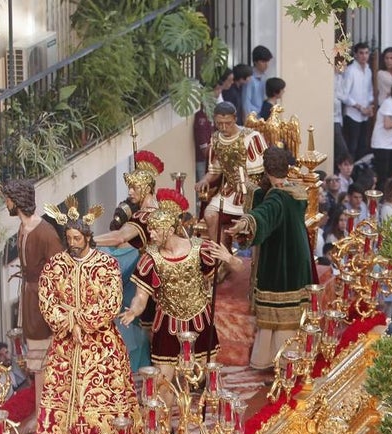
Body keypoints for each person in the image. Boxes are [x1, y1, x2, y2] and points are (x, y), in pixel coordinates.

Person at [35, 201, 139, 434]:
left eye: (77, 237)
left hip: (100, 342)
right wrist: (69, 322)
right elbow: (47, 300)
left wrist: (80, 320)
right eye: (69, 238)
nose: (72, 242)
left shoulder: (106, 265)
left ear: (88, 237)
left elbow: (112, 302)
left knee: (102, 392)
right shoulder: (55, 266)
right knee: (64, 388)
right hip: (66, 342)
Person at [119, 190, 242, 374]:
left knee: (207, 378)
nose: (150, 234)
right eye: (150, 229)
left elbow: (239, 268)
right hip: (167, 322)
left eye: (154, 230)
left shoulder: (199, 248)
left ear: (168, 230)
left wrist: (229, 259)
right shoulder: (149, 258)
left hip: (199, 318)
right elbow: (141, 296)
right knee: (163, 381)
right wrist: (134, 310)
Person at [227, 146, 316, 369]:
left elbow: (265, 213)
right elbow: (265, 199)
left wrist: (246, 223)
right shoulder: (295, 190)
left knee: (280, 322)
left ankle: (282, 363)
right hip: (298, 258)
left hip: (280, 263)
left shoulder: (277, 198)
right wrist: (250, 188)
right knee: (291, 318)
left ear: (267, 170)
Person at [2, 178, 64, 406]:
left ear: (16, 201)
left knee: (44, 359)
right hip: (30, 297)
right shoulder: (23, 227)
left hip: (43, 300)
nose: (6, 204)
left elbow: (60, 271)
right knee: (36, 358)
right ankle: (42, 413)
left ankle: (46, 413)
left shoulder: (45, 232)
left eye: (8, 200)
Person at [194, 102, 268, 245]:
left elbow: (261, 172)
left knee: (253, 224)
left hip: (252, 192)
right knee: (209, 215)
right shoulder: (216, 139)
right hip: (229, 192)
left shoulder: (251, 137)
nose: (223, 127)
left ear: (235, 118)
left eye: (227, 123)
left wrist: (245, 182)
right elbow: (215, 170)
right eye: (219, 124)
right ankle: (221, 255)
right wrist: (205, 180)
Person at [94, 150, 165, 250]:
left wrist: (88, 240)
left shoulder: (143, 216)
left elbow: (119, 237)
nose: (130, 192)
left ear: (147, 189)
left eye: (135, 188)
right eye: (129, 188)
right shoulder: (160, 211)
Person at [341, 43, 375, 161]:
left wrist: (370, 106)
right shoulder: (350, 71)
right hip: (352, 115)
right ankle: (349, 172)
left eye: (366, 53)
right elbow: (344, 95)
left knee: (363, 146)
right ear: (355, 55)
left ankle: (359, 172)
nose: (364, 56)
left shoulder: (368, 70)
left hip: (365, 115)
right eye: (361, 53)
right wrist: (359, 107)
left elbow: (370, 91)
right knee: (352, 146)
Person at [242, 44, 273, 118]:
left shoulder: (264, 77)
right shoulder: (250, 78)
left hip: (262, 117)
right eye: (263, 61)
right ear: (255, 62)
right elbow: (246, 102)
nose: (266, 64)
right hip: (253, 118)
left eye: (267, 61)